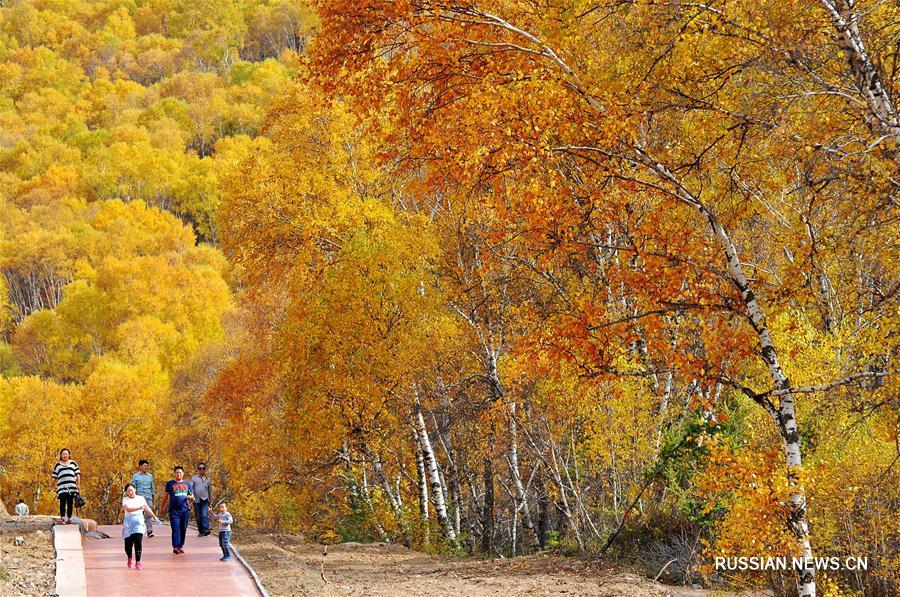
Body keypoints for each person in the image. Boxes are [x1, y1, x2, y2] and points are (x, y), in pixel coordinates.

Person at [122, 483, 161, 570]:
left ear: (135, 490)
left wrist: (154, 517)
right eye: (128, 491)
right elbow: (128, 509)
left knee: (138, 541)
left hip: (139, 522)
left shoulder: (141, 498)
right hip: (129, 523)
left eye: (132, 490)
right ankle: (129, 557)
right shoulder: (125, 499)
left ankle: (138, 562)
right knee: (128, 545)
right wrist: (139, 508)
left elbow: (147, 508)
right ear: (126, 493)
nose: (131, 492)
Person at [158, 465, 194, 554]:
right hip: (174, 510)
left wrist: (190, 497)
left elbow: (193, 496)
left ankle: (181, 545)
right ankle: (175, 546)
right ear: (174, 473)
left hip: (184, 510)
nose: (178, 474)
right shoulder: (170, 483)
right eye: (177, 472)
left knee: (183, 528)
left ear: (183, 474)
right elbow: (165, 496)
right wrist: (161, 507)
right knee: (175, 528)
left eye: (180, 473)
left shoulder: (187, 484)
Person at [51, 448, 81, 524]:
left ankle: (69, 518)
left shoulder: (73, 463)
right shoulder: (57, 465)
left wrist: (78, 484)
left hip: (71, 487)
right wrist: (51, 486)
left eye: (66, 454)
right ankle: (62, 518)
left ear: (69, 455)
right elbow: (54, 476)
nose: (65, 455)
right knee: (62, 502)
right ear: (61, 455)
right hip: (62, 487)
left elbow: (77, 474)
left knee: (70, 502)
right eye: (63, 454)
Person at [130, 459, 155, 537]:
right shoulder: (135, 476)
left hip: (148, 497)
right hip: (139, 498)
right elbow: (132, 487)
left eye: (147, 466)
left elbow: (152, 487)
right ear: (140, 467)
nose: (146, 467)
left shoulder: (150, 476)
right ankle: (137, 530)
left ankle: (149, 531)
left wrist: (153, 496)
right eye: (144, 466)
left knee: (148, 513)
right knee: (138, 514)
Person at [190, 462, 212, 536]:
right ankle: (200, 531)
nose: (201, 470)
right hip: (196, 500)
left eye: (203, 468)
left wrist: (210, 501)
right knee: (198, 517)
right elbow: (191, 488)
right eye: (200, 468)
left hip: (205, 499)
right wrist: (191, 497)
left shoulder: (208, 479)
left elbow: (209, 490)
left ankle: (205, 529)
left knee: (204, 515)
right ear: (198, 470)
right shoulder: (194, 478)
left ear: (205, 470)